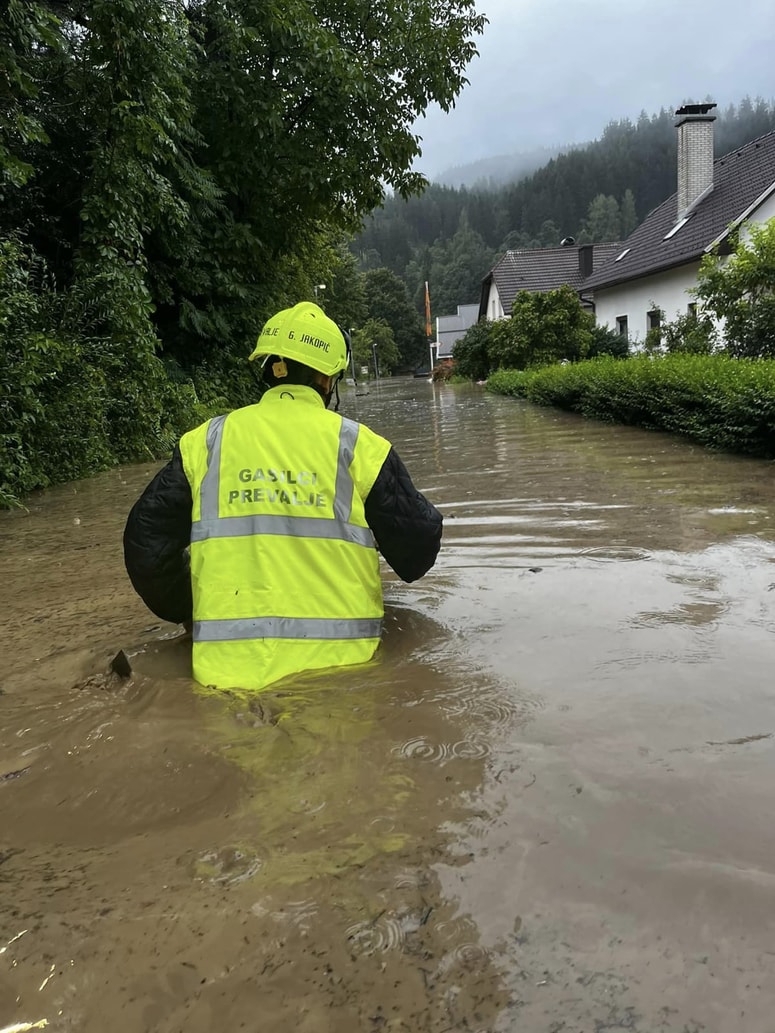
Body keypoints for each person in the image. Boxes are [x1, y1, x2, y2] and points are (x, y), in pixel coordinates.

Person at [123, 302, 442, 692]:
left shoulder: (205, 444)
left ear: (268, 369)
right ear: (328, 379)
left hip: (223, 682)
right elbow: (417, 551)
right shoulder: (359, 447)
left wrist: (189, 610)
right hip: (349, 679)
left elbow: (145, 544)